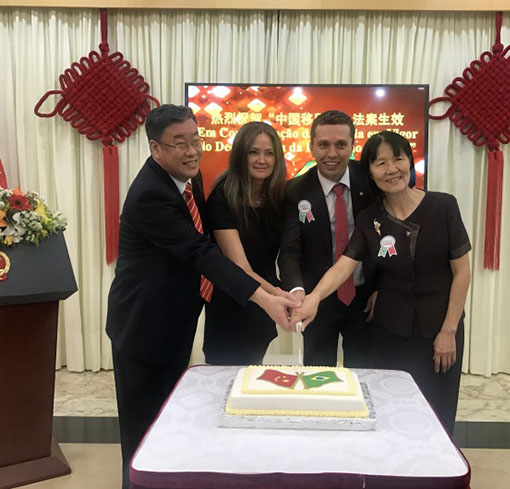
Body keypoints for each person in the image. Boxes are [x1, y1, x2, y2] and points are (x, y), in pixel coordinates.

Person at [105, 105, 297, 489]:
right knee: (144, 427)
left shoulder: (187, 179)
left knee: (167, 417)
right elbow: (201, 253)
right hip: (143, 324)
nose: (192, 151)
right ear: (155, 148)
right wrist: (265, 298)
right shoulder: (151, 195)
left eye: (196, 140)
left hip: (173, 319)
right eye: (180, 143)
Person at [292, 130, 471, 433]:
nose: (392, 169)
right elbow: (344, 265)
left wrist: (448, 331)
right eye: (381, 163)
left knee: (437, 412)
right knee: (393, 410)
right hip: (390, 331)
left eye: (398, 159)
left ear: (409, 162)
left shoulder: (443, 206)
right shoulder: (370, 219)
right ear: (370, 173)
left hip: (438, 329)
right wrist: (313, 298)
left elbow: (462, 272)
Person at [278, 110, 376, 367]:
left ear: (353, 146)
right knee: (318, 376)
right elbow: (289, 251)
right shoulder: (296, 190)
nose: (332, 153)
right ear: (312, 147)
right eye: (323, 145)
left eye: (341, 145)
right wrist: (297, 292)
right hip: (317, 299)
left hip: (366, 298)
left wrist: (382, 289)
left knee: (364, 375)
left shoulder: (371, 180)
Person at [203, 122, 287, 365]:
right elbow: (241, 268)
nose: (262, 160)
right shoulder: (222, 198)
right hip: (233, 302)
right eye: (254, 152)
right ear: (241, 154)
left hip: (264, 303)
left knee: (253, 371)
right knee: (226, 377)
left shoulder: (277, 197)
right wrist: (278, 294)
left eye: (269, 153)